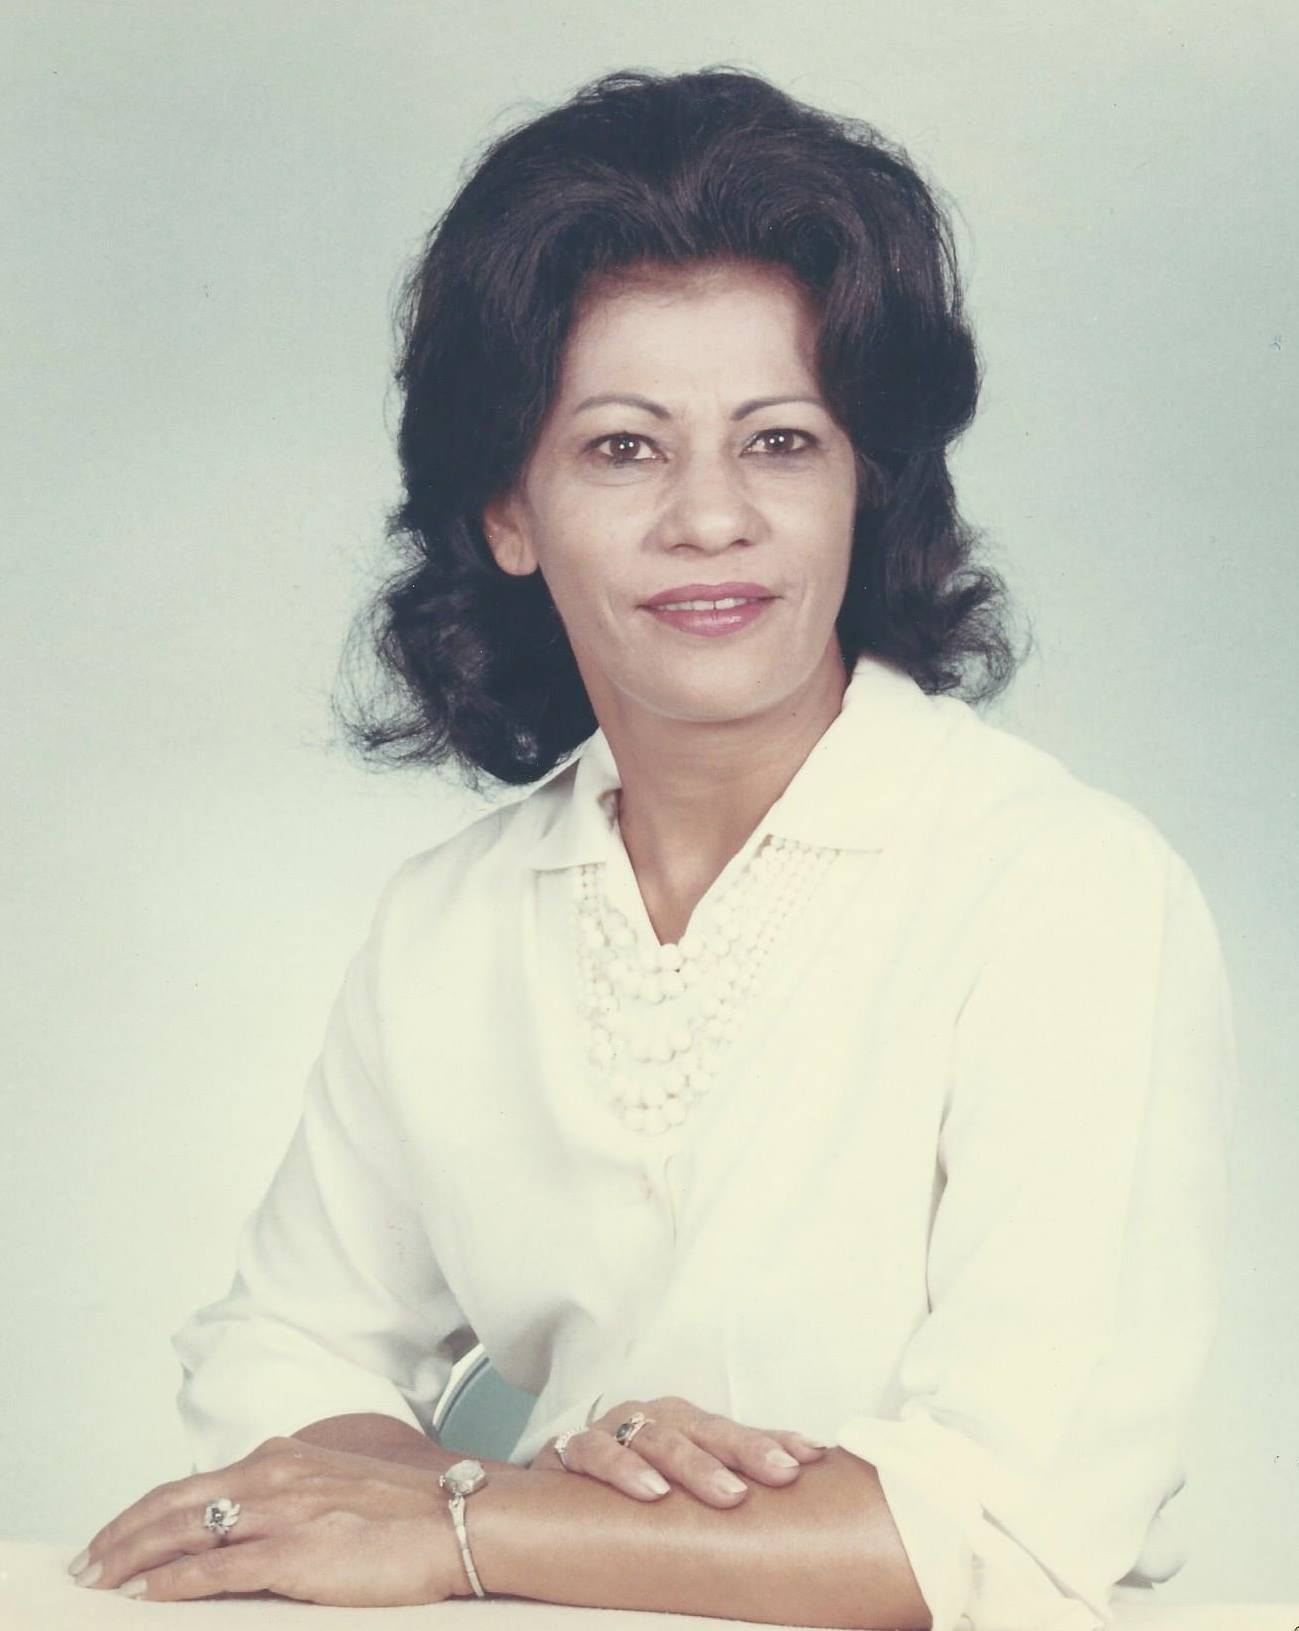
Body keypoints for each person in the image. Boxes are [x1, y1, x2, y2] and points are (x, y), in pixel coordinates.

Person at [65, 67, 1236, 1630]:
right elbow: (282, 1348)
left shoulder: (1062, 893)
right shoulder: (452, 922)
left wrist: (481, 1522)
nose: (710, 518)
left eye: (781, 442)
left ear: (864, 486)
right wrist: (498, 1496)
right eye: (624, 449)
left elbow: (1015, 1527)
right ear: (508, 508)